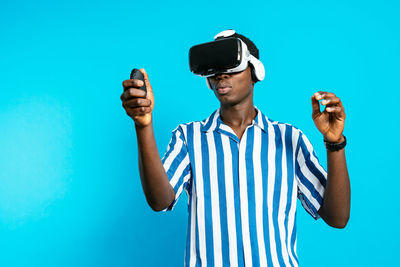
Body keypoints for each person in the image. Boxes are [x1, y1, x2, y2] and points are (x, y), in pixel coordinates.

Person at [120, 30, 350, 267]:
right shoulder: (188, 138)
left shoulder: (289, 139)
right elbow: (159, 201)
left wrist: (335, 143)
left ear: (255, 72)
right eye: (214, 69)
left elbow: (337, 217)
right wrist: (143, 124)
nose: (221, 75)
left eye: (231, 66)